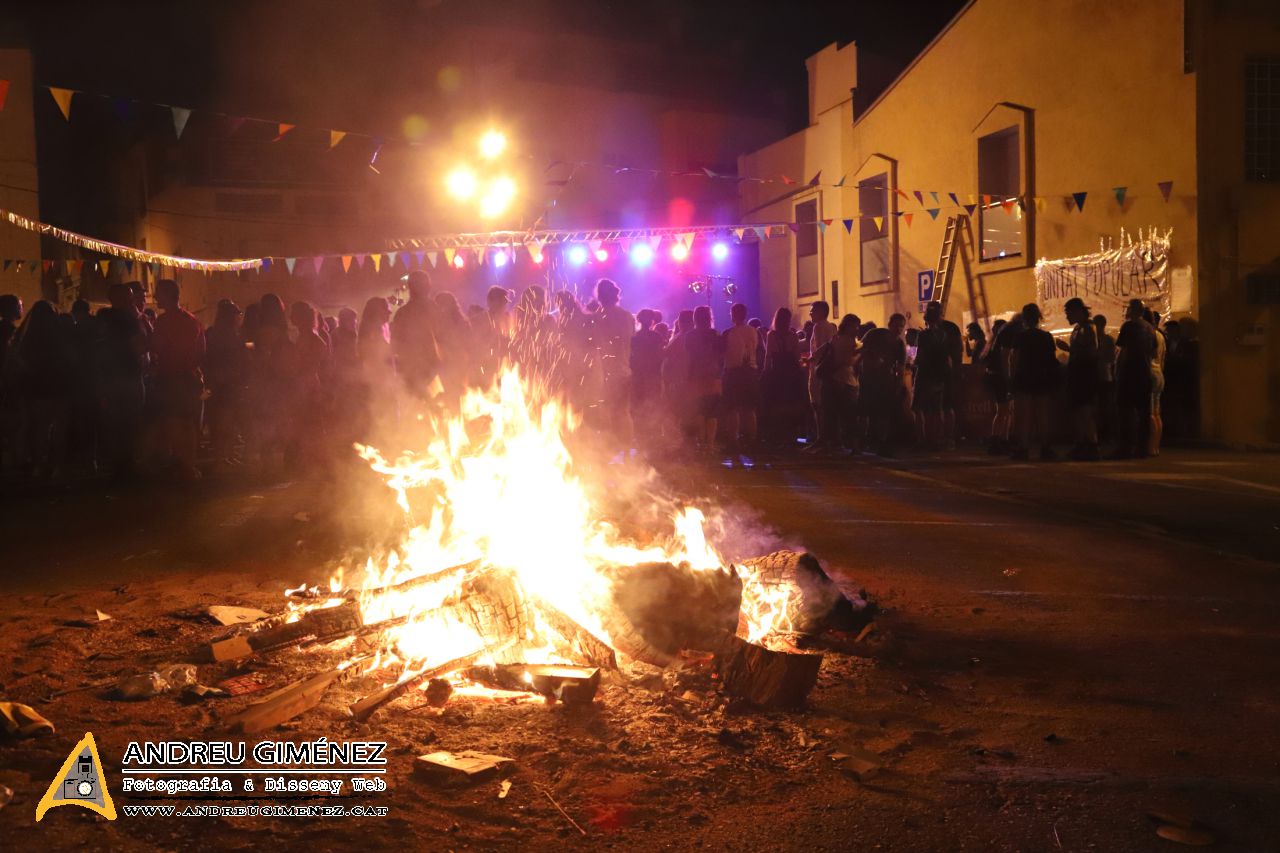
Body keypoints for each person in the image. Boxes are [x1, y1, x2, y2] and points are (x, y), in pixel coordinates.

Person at [149, 279, 206, 480]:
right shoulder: (192, 320)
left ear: (168, 295)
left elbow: (156, 347)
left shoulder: (164, 322)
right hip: (189, 377)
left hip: (172, 378)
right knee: (189, 424)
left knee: (174, 423)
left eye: (158, 293)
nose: (155, 297)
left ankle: (184, 466)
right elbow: (201, 350)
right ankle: (189, 464)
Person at [1009, 303, 1058, 461]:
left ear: (1024, 318)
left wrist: (1012, 377)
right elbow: (1051, 359)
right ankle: (1046, 448)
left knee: (1023, 416)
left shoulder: (1020, 337)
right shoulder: (1046, 337)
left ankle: (1023, 448)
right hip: (1042, 378)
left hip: (1024, 378)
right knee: (1043, 415)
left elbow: (1014, 359)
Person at [589, 279, 635, 448]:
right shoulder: (626, 316)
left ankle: (608, 449)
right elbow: (631, 339)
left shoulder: (597, 318)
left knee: (605, 411)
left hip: (601, 373)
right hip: (623, 371)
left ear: (599, 297)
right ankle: (625, 448)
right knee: (623, 412)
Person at [205, 299, 246, 467]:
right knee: (222, 421)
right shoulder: (222, 335)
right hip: (223, 383)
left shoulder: (221, 333)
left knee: (227, 421)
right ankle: (221, 456)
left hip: (227, 382)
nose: (238, 317)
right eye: (235, 314)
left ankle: (225, 454)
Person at [860, 313, 907, 456]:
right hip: (868, 379)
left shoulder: (899, 344)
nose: (898, 329)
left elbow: (901, 366)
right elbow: (860, 349)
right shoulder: (875, 334)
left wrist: (898, 384)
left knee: (882, 413)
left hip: (886, 382)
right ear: (889, 324)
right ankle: (865, 439)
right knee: (866, 411)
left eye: (901, 326)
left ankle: (880, 441)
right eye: (896, 325)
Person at [1114, 298, 1155, 459]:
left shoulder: (1129, 326)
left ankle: (1125, 447)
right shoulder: (1149, 328)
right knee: (1144, 412)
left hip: (1129, 372)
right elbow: (1152, 351)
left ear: (1133, 310)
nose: (1126, 311)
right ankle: (1142, 447)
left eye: (1128, 308)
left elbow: (1123, 350)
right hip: (1145, 372)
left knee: (1125, 412)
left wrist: (1118, 371)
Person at [1060, 297, 1099, 460]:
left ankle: (1091, 446)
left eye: (1069, 313)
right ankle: (1083, 444)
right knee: (1078, 411)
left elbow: (1088, 353)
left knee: (1084, 411)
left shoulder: (1087, 328)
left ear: (1077, 312)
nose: (1067, 317)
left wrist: (1070, 350)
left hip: (1083, 375)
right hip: (1078, 373)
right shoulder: (1079, 328)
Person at [391, 270, 441, 399]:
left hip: (417, 371)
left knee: (417, 410)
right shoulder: (434, 309)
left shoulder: (402, 313)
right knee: (433, 409)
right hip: (425, 369)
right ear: (427, 287)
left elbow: (395, 345)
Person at [760, 307, 806, 447]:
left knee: (776, 403)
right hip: (791, 372)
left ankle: (777, 434)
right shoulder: (792, 335)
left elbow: (769, 355)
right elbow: (797, 355)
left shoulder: (771, 335)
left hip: (777, 371)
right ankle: (790, 434)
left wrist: (765, 371)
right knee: (790, 402)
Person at [720, 302, 759, 457]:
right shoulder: (754, 331)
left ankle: (733, 441)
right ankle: (751, 440)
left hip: (733, 372)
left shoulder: (729, 333)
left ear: (733, 315)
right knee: (749, 408)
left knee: (732, 408)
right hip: (750, 371)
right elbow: (758, 349)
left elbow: (722, 354)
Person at [683, 305, 722, 453]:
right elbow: (720, 356)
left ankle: (701, 443)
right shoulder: (715, 334)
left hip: (695, 376)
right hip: (713, 376)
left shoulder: (690, 336)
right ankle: (710, 444)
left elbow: (687, 358)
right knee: (712, 412)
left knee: (699, 410)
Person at [912, 302, 950, 449]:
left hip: (925, 374)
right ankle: (937, 439)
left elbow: (919, 356)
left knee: (919, 408)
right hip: (939, 375)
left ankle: (922, 439)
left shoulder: (923, 335)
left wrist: (914, 363)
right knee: (936, 409)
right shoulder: (943, 335)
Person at [804, 301, 837, 450]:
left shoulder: (818, 327)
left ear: (821, 312)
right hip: (827, 371)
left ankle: (821, 438)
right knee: (825, 405)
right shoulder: (831, 327)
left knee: (817, 405)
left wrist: (811, 358)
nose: (810, 313)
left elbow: (820, 349)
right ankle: (827, 438)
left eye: (813, 311)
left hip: (817, 370)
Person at [631, 308, 665, 446]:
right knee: (653, 409)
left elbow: (631, 359)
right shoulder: (657, 337)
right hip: (653, 378)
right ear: (652, 321)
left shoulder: (633, 338)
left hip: (638, 378)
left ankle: (640, 440)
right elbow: (661, 357)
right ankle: (653, 441)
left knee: (638, 409)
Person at [662, 309, 696, 444]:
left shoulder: (681, 337)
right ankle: (687, 443)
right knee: (687, 413)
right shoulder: (690, 336)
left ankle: (679, 444)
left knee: (678, 412)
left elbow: (668, 356)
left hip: (679, 381)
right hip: (686, 380)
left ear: (682, 322)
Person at [1146, 309, 1167, 457]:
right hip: (1159, 372)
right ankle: (1156, 446)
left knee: (1150, 413)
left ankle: (1151, 446)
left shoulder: (1149, 335)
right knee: (1156, 413)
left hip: (1150, 373)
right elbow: (1163, 357)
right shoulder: (1160, 335)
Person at [1093, 314, 1116, 445]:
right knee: (1099, 407)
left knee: (1104, 407)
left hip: (1104, 376)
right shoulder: (1102, 339)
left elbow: (1109, 358)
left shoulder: (1107, 340)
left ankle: (1106, 435)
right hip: (1100, 376)